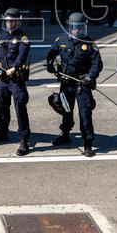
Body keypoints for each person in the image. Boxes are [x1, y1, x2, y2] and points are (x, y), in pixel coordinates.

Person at [47, 12, 103, 156]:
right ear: (70, 27)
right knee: (66, 110)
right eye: (75, 28)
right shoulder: (62, 39)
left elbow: (97, 64)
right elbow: (51, 53)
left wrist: (90, 77)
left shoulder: (89, 44)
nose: (78, 30)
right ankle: (65, 134)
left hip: (81, 84)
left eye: (80, 28)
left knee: (85, 113)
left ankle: (88, 143)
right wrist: (50, 64)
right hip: (66, 83)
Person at [0, 8, 33, 155]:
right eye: (6, 21)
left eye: (10, 21)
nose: (8, 24)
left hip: (15, 79)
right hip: (3, 78)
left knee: (20, 107)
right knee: (2, 105)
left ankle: (24, 140)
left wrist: (14, 68)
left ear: (16, 22)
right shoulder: (1, 35)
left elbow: (22, 55)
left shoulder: (23, 38)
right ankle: (2, 132)